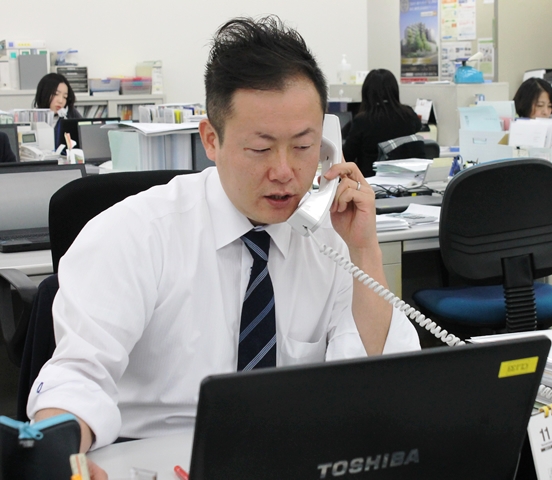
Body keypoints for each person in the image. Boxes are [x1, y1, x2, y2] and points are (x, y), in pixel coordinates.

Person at [28, 16, 420, 478]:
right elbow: (77, 375)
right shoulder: (134, 234)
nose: (285, 171)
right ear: (211, 139)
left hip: (291, 460)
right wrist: (60, 457)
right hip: (153, 460)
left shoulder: (331, 238)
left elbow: (374, 383)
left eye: (303, 147)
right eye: (261, 149)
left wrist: (365, 250)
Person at [342, 69, 422, 178]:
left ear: (367, 92)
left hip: (370, 181)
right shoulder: (408, 114)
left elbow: (347, 157)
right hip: (407, 179)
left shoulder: (363, 120)